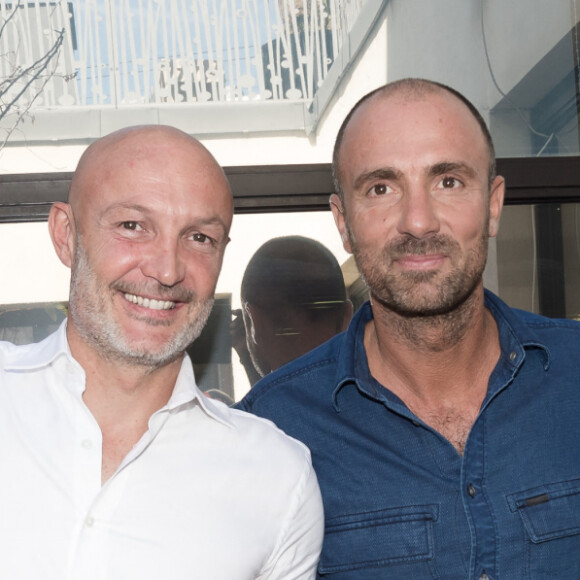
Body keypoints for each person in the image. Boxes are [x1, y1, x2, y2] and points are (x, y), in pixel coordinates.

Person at [237, 79, 580, 579]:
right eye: (381, 188)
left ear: (493, 204)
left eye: (448, 182)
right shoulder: (270, 435)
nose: (418, 222)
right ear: (343, 222)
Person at [0, 125, 323, 579]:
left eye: (199, 238)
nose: (167, 270)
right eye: (132, 226)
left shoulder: (277, 479)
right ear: (65, 235)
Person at [231, 236, 352, 384]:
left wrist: (245, 357)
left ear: (257, 324)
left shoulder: (254, 407)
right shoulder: (381, 398)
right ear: (348, 317)